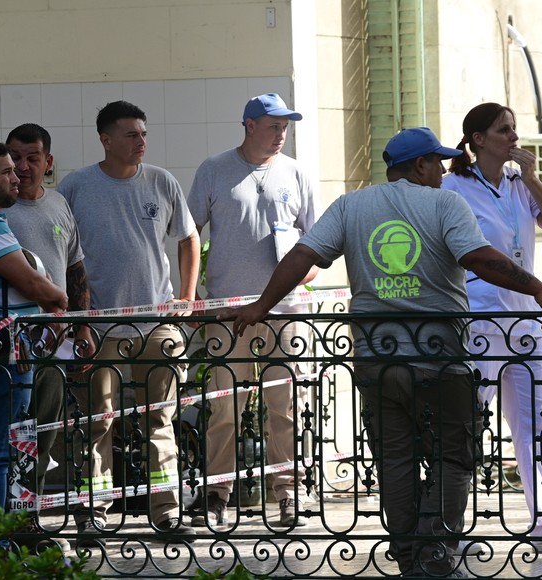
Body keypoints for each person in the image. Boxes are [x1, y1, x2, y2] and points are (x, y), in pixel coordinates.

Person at [224, 127, 542, 578]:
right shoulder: (446, 204)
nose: (447, 173)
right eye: (440, 164)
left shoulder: (352, 205)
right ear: (421, 165)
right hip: (441, 357)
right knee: (453, 456)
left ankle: (409, 556)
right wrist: (539, 290)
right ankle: (433, 551)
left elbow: (301, 255)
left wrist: (259, 306)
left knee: (395, 459)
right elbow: (481, 259)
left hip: (377, 358)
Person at [443, 103, 542, 554]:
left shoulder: (518, 184)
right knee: (468, 424)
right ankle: (451, 523)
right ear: (478, 139)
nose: (514, 137)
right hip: (480, 322)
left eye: (514, 129)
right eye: (504, 130)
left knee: (536, 424)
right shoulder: (452, 188)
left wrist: (531, 178)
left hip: (526, 321)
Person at [58, 101, 200, 542]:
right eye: (131, 135)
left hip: (156, 322)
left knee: (160, 418)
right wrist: (75, 318)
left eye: (143, 133)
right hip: (97, 326)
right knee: (97, 421)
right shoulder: (76, 187)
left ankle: (167, 513)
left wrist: (188, 299)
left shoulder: (161, 181)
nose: (141, 142)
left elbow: (190, 238)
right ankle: (94, 512)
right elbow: (60, 250)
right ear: (105, 139)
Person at [186, 93, 318, 528]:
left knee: (284, 407)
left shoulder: (296, 172)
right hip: (229, 313)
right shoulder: (214, 170)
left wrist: (299, 280)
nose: (281, 133)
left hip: (285, 311)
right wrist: (190, 295)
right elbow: (188, 235)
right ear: (248, 124)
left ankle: (288, 494)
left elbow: (316, 246)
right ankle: (216, 495)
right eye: (273, 125)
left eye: (285, 126)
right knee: (224, 406)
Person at [0, 141, 68, 512]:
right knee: (0, 453)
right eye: (5, 171)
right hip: (4, 355)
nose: (16, 176)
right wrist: (60, 302)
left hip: (3, 351)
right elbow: (31, 283)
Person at [4, 123, 95, 498]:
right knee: (9, 437)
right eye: (14, 158)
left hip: (55, 346)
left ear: (48, 162)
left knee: (43, 435)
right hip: (10, 347)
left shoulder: (59, 204)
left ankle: (31, 517)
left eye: (32, 158)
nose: (22, 167)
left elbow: (75, 270)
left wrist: (82, 329)